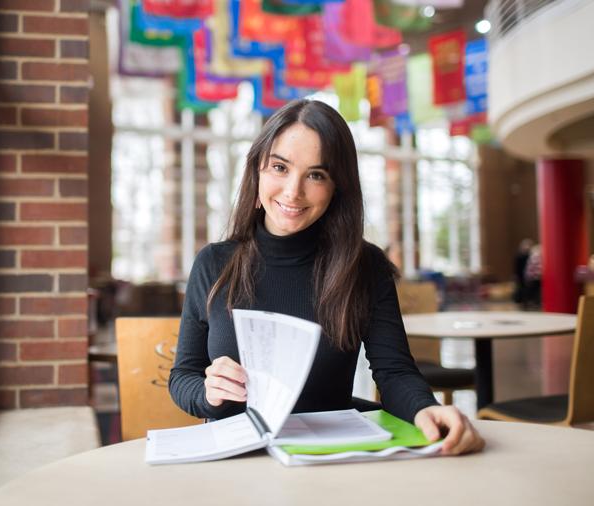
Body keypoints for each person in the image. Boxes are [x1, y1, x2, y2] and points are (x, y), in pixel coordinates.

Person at [168, 99, 484, 456]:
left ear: (337, 188)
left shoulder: (364, 265)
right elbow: (184, 377)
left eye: (316, 175)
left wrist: (426, 408)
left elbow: (394, 372)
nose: (293, 191)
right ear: (258, 172)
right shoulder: (214, 262)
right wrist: (208, 393)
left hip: (331, 459)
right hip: (239, 460)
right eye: (279, 167)